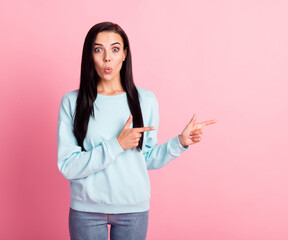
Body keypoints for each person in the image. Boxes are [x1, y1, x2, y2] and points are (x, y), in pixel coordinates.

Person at [57, 21, 217, 240]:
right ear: (89, 55)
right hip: (86, 211)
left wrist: (180, 142)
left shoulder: (145, 100)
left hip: (133, 210)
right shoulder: (72, 102)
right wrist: (117, 145)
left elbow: (146, 158)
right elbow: (68, 166)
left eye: (114, 49)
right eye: (98, 49)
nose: (107, 58)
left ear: (124, 54)